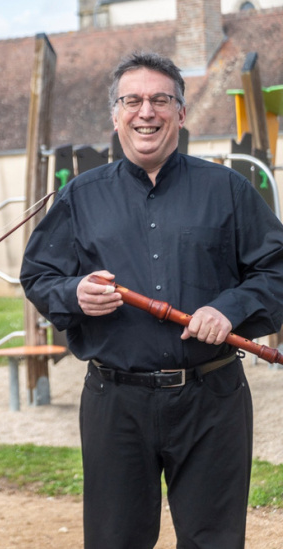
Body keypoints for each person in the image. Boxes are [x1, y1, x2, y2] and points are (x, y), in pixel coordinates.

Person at [20, 51, 283, 548]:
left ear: (181, 114)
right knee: (115, 540)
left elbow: (276, 271)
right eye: (133, 100)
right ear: (115, 114)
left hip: (212, 398)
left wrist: (229, 308)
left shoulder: (228, 189)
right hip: (115, 402)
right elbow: (38, 275)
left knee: (215, 541)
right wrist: (73, 294)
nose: (147, 112)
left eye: (161, 100)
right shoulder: (80, 196)